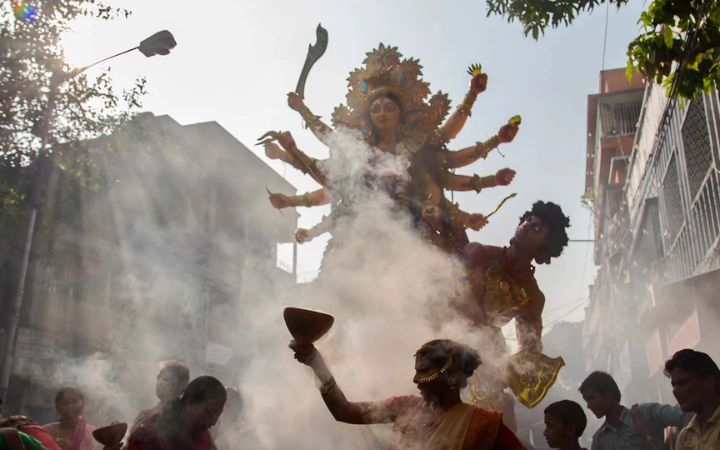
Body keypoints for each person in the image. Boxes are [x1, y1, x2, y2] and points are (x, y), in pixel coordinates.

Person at [265, 44, 519, 256]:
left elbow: (449, 150)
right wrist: (301, 111)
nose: (382, 113)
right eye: (375, 109)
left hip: (408, 234)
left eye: (389, 107)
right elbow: (333, 178)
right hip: (358, 236)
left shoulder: (417, 147)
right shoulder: (357, 153)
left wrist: (477, 105)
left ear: (401, 112)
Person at [289, 337, 526, 450]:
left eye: (423, 371)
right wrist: (316, 364)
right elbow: (343, 411)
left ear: (450, 374)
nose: (415, 380)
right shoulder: (404, 407)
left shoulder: (483, 424)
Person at [458, 201, 570, 416]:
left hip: (487, 352)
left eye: (536, 228)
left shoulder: (534, 298)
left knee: (500, 410)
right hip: (447, 332)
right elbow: (468, 308)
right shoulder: (479, 254)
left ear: (543, 252)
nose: (526, 225)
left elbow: (529, 349)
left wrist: (508, 371)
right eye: (528, 220)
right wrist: (490, 361)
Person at [579, 371, 684, 450]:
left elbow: (684, 415)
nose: (589, 406)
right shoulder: (599, 440)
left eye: (591, 398)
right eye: (586, 401)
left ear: (609, 394)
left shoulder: (645, 413)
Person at [126, 376, 226, 450]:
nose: (213, 422)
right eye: (210, 412)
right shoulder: (150, 437)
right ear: (189, 403)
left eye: (217, 415)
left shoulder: (204, 440)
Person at [665, 349, 720, 450]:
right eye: (674, 385)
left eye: (682, 383)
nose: (675, 391)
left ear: (709, 382)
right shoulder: (685, 436)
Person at [129, 361, 189, 436]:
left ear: (181, 385)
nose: (159, 383)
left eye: (166, 379)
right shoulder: (144, 415)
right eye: (159, 378)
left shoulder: (186, 419)